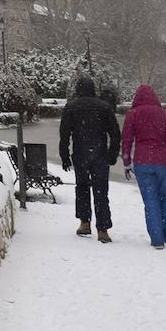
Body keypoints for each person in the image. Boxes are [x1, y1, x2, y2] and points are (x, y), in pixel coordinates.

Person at [121, 84, 166, 250]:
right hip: (164, 162)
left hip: (142, 162)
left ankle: (157, 239)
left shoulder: (132, 115)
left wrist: (127, 163)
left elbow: (127, 140)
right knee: (165, 196)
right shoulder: (164, 114)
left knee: (150, 200)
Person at [58, 75, 121, 242]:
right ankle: (103, 229)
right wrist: (112, 154)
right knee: (101, 190)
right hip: (100, 154)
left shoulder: (72, 107)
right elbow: (115, 133)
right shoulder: (104, 107)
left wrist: (65, 156)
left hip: (80, 154)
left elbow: (64, 134)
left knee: (82, 187)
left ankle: (85, 222)